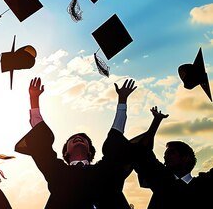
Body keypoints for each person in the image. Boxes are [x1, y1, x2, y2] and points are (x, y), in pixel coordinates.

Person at [15, 77, 137, 209]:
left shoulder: (103, 171)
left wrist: (122, 101)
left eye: (84, 139)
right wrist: (34, 100)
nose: (79, 138)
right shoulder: (57, 172)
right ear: (66, 152)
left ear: (90, 151)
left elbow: (116, 138)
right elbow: (41, 140)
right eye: (73, 139)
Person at [132, 108, 213, 208]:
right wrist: (156, 121)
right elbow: (143, 150)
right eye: (165, 154)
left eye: (171, 153)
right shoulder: (160, 179)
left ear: (186, 158)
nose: (166, 157)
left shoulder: (203, 185)